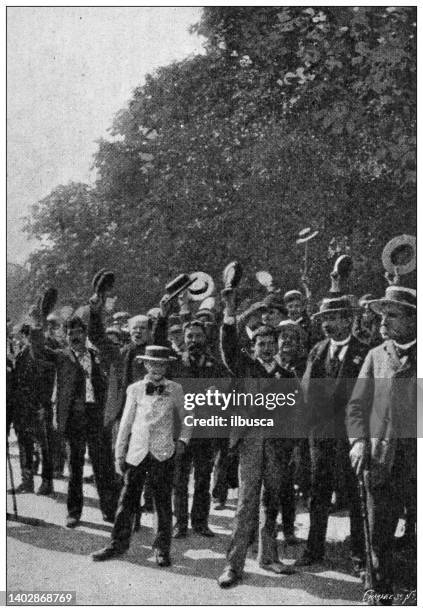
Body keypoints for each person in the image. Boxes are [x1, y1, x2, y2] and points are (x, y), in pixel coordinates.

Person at [217, 287, 300, 588]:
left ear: (277, 346)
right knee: (246, 503)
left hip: (277, 448)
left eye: (270, 343)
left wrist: (290, 449)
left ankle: (269, 557)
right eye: (260, 343)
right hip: (250, 444)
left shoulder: (287, 376)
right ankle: (233, 565)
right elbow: (227, 346)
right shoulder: (244, 368)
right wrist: (230, 313)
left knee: (272, 501)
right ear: (253, 347)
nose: (266, 347)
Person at [91, 345, 190, 566]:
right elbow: (126, 422)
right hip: (137, 452)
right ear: (145, 364)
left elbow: (188, 418)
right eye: (152, 363)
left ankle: (162, 548)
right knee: (127, 500)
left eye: (161, 364)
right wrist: (119, 453)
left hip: (162, 452)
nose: (156, 368)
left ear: (167, 366)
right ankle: (117, 544)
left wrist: (182, 441)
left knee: (162, 502)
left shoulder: (175, 389)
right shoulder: (135, 389)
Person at [346, 286, 416, 597]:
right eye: (382, 315)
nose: (383, 322)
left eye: (392, 314)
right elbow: (356, 405)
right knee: (379, 536)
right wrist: (358, 441)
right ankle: (378, 592)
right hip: (381, 458)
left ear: (413, 320)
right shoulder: (376, 356)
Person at [295, 296, 367, 573]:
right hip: (321, 436)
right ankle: (314, 549)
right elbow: (306, 391)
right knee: (318, 493)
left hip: (352, 438)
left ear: (348, 320)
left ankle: (360, 555)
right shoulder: (318, 350)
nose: (326, 324)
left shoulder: (365, 352)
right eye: (324, 319)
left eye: (333, 318)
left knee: (354, 495)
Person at [30, 311, 118, 527]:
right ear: (66, 336)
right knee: (75, 468)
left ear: (85, 333)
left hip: (96, 417)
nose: (74, 337)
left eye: (78, 332)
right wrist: (36, 327)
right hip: (74, 420)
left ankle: (108, 510)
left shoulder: (96, 356)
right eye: (70, 333)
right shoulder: (61, 356)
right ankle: (74, 513)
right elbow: (38, 351)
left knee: (102, 466)